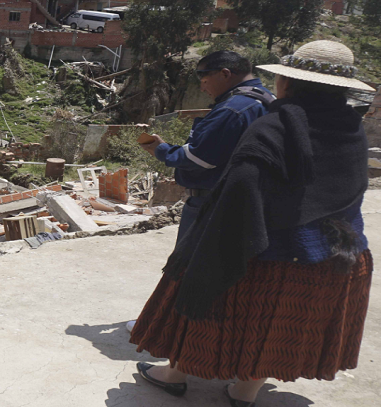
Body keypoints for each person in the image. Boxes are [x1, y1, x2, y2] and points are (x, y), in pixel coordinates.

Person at [129, 40, 374, 406]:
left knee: (208, 301)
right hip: (336, 255)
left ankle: (174, 373)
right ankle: (245, 391)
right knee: (278, 330)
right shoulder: (353, 132)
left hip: (269, 253)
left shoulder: (272, 128)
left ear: (288, 85)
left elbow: (240, 195)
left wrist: (207, 253)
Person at [127, 51, 275, 333]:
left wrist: (161, 150)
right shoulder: (264, 100)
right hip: (244, 200)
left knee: (186, 266)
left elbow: (199, 158)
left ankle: (168, 327)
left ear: (225, 74)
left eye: (203, 77)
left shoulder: (233, 109)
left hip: (211, 202)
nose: (202, 85)